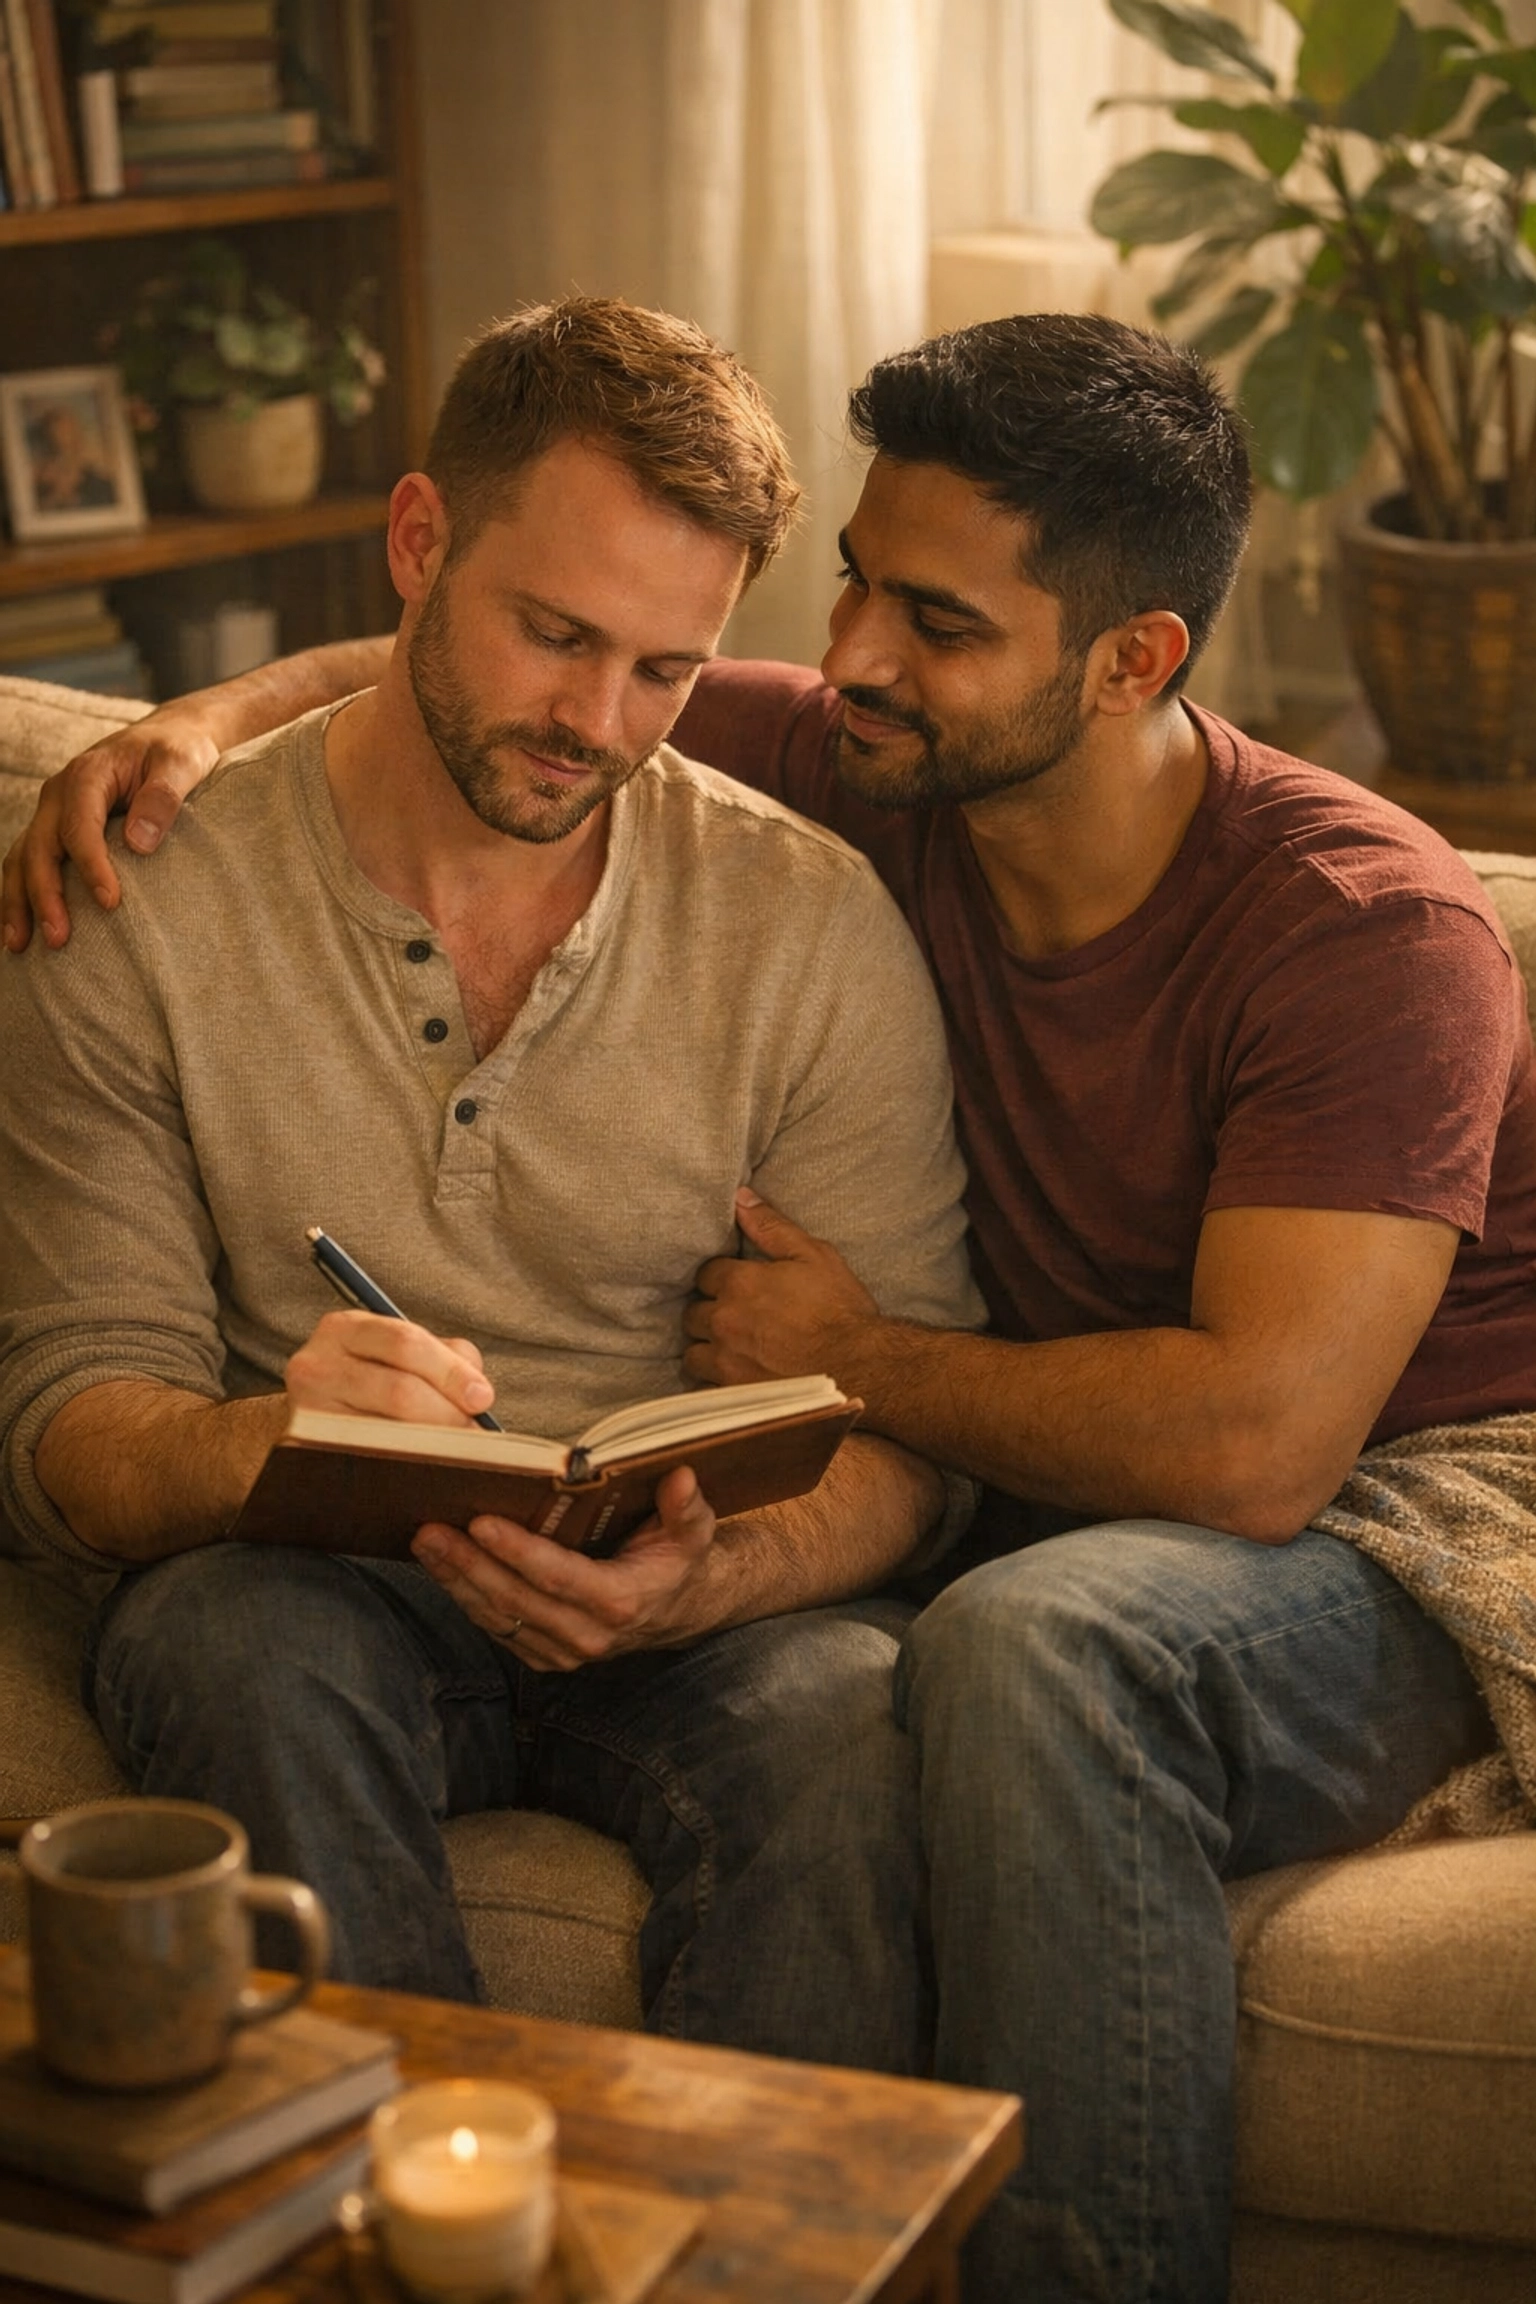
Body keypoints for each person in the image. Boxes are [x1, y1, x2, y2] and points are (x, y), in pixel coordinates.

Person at [9, 310, 1534, 2304]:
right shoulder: (865, 755)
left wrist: (835, 1401)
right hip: (892, 1501)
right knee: (247, 1633)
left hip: (1418, 1494)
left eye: (936, 622)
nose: (851, 660)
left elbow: (1256, 1448)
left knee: (1008, 1659)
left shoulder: (1359, 929)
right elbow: (461, 672)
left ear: (1131, 661)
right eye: (854, 587)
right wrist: (189, 727)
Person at [0, 296, 985, 2075]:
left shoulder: (811, 925)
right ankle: (405, 2203)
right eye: (555, 635)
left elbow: (910, 1446)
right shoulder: (141, 898)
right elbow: (69, 1422)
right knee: (228, 1645)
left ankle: (768, 2233)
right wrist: (270, 1444)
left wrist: (712, 1577)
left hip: (694, 1613)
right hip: (313, 1586)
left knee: (858, 1714)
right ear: (417, 541)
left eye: (665, 672)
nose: (597, 722)